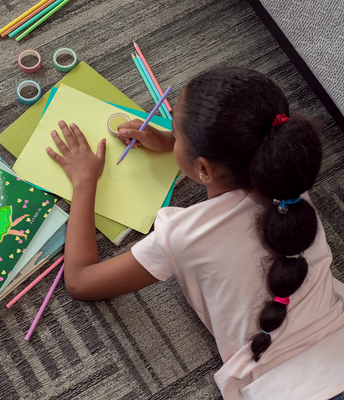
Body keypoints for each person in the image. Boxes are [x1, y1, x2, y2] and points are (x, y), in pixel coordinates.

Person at [45, 67, 344, 399]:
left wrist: (84, 181)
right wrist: (176, 143)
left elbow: (81, 281)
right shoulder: (292, 187)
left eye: (175, 130)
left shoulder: (183, 236)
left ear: (203, 168)